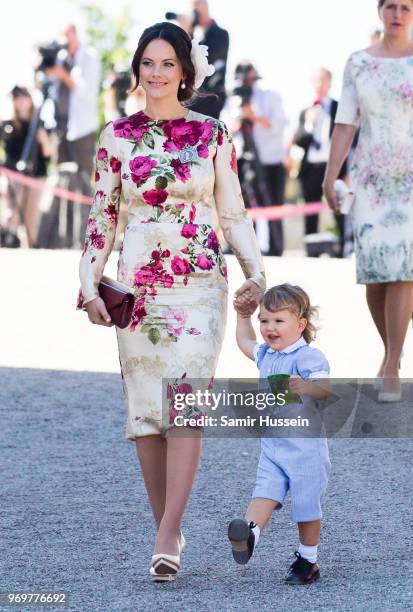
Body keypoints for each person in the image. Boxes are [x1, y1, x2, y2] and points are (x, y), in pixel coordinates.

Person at [76, 22, 265, 582]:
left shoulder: (211, 134)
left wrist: (256, 272)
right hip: (137, 290)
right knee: (147, 416)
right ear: (137, 69)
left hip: (200, 285)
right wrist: (90, 285)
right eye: (148, 63)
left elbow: (232, 212)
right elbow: (102, 218)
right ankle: (169, 527)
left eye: (167, 63)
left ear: (185, 72)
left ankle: (166, 531)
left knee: (185, 406)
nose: (156, 73)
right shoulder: (115, 137)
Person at [323, 0, 413, 401]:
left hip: (411, 176)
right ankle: (389, 350)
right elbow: (346, 122)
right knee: (375, 275)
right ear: (379, 11)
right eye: (391, 6)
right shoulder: (358, 62)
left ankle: (392, 362)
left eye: (406, 7)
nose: (397, 13)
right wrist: (330, 176)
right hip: (369, 178)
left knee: (404, 269)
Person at [228, 284, 331, 584]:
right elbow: (245, 342)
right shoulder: (267, 355)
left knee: (306, 505)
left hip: (305, 449)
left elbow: (326, 388)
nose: (269, 328)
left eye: (278, 321)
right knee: (264, 492)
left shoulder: (308, 357)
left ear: (300, 325)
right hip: (273, 445)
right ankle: (249, 535)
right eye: (264, 320)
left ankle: (308, 559)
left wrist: (307, 386)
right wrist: (242, 316)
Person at [44, 23, 101, 246]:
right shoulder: (60, 58)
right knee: (61, 183)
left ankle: (82, 240)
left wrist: (64, 76)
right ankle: (61, 239)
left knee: (83, 184)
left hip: (82, 130)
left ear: (74, 33)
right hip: (61, 129)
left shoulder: (90, 57)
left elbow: (88, 91)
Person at [294, 68, 347, 251]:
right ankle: (311, 248)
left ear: (330, 83)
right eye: (315, 81)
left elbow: (348, 139)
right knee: (310, 208)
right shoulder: (305, 111)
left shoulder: (339, 107)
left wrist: (346, 171)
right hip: (311, 168)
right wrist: (309, 124)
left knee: (339, 207)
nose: (319, 85)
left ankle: (343, 246)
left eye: (322, 80)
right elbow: (299, 140)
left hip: (333, 166)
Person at [239, 63, 288, 256]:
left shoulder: (270, 97)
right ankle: (252, 248)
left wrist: (254, 117)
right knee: (247, 207)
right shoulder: (233, 98)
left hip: (271, 161)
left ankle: (276, 248)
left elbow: (278, 125)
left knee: (273, 204)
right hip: (244, 161)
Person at [0, 86, 51, 247]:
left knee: (32, 216)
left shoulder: (40, 124)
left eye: (23, 97)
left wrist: (43, 140)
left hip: (36, 176)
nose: (20, 102)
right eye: (17, 98)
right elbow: (7, 154)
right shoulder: (7, 125)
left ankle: (31, 246)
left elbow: (48, 154)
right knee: (12, 213)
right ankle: (10, 242)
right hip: (14, 177)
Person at [189, 0, 229, 118]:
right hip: (194, 97)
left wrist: (190, 32)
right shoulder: (197, 36)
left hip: (212, 95)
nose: (195, 12)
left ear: (205, 7)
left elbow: (206, 58)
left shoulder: (221, 34)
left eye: (197, 6)